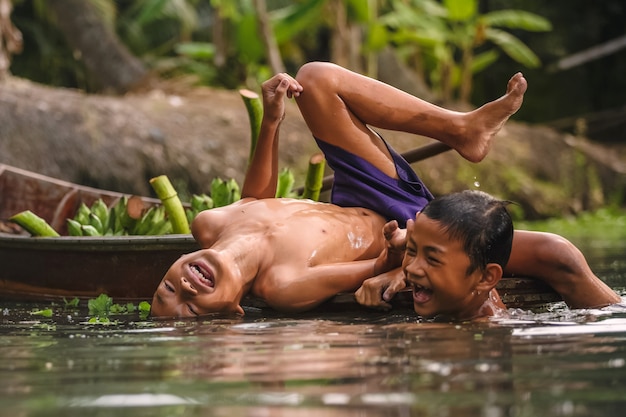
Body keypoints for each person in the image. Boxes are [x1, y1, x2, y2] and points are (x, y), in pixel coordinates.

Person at [150, 61, 620, 318]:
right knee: (559, 255)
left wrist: (272, 123)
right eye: (192, 305)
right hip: (406, 225)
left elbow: (255, 200)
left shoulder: (208, 223)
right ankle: (615, 315)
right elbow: (373, 266)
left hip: (359, 192)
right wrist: (401, 257)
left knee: (316, 80)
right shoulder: (283, 285)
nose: (187, 287)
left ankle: (459, 130)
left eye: (169, 286)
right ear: (232, 309)